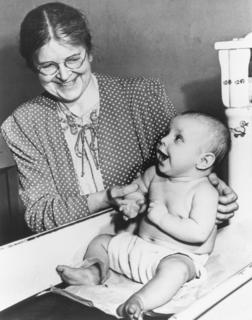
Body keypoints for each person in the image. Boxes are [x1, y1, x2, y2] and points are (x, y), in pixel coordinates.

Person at [1, 2, 237, 234]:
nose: (64, 75)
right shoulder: (23, 123)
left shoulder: (144, 97)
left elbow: (184, 163)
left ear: (90, 52)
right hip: (70, 249)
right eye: (48, 66)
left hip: (151, 237)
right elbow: (39, 215)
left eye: (73, 59)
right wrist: (105, 198)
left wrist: (213, 191)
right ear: (33, 66)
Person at [56, 112, 231, 319]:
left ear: (203, 161)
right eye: (167, 133)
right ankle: (94, 271)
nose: (163, 139)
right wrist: (132, 201)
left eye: (178, 138)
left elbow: (199, 233)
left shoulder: (204, 192)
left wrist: (161, 218)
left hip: (175, 255)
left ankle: (140, 300)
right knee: (101, 241)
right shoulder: (154, 174)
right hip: (138, 246)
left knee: (177, 271)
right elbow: (136, 189)